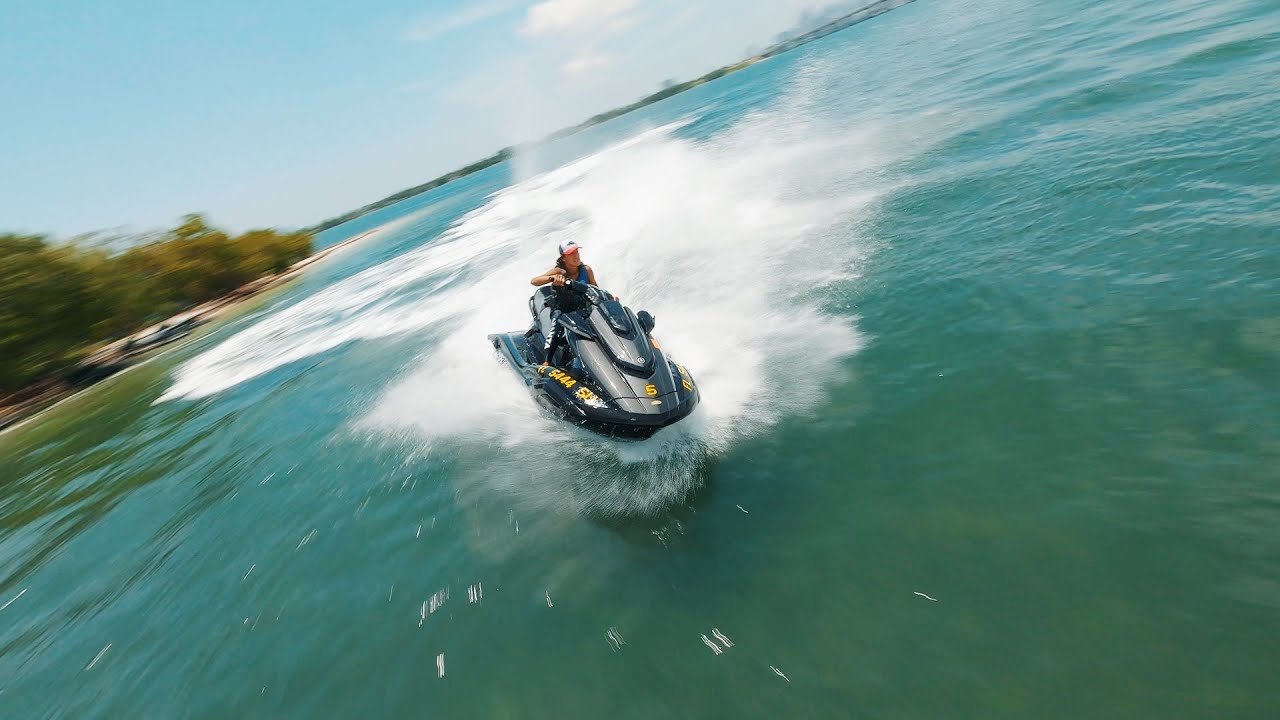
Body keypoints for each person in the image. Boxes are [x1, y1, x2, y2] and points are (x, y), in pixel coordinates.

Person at [530, 240, 597, 288]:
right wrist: (552, 278)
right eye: (571, 253)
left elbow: (596, 289)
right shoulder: (559, 271)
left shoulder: (587, 269)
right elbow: (534, 281)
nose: (576, 255)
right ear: (563, 258)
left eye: (576, 252)